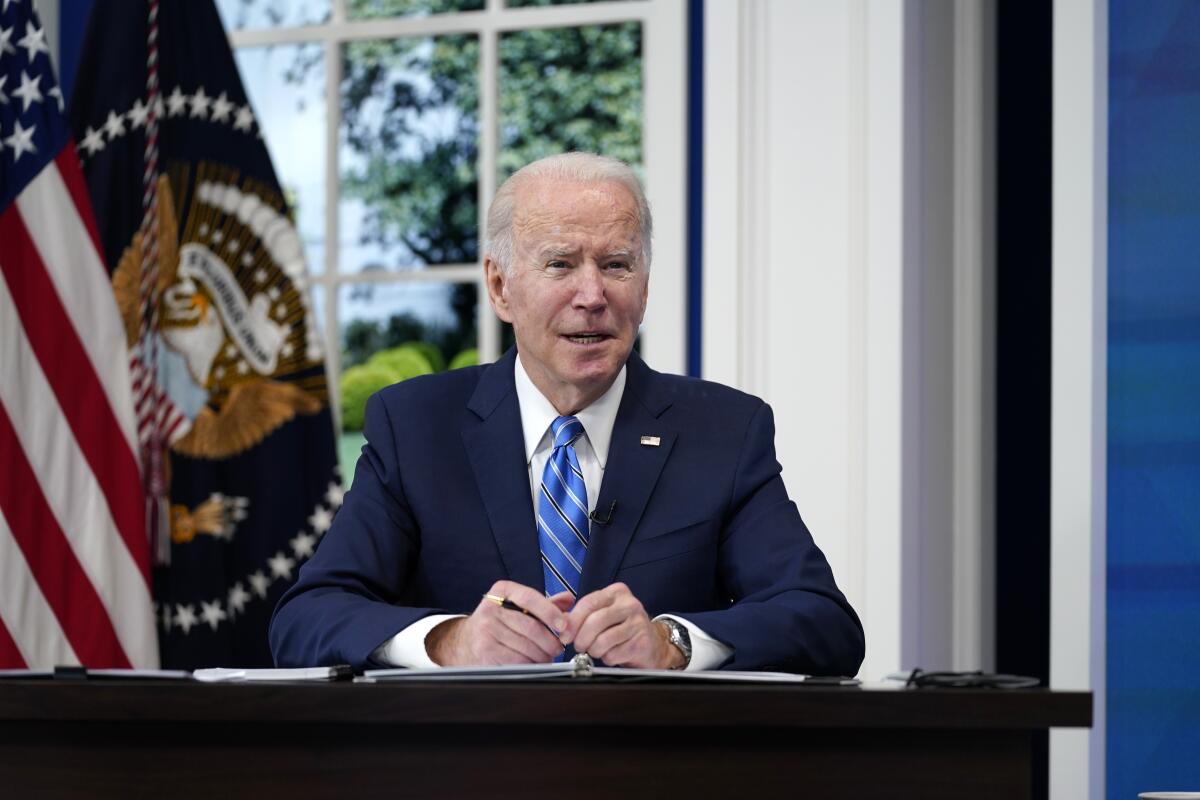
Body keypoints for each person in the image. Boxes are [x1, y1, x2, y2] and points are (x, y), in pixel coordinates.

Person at [269, 153, 864, 674]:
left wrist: (673, 643)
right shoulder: (415, 427)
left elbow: (823, 623)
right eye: (560, 264)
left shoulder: (725, 432)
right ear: (501, 288)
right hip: (464, 770)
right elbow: (307, 618)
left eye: (616, 265)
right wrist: (451, 642)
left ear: (645, 286)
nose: (592, 296)